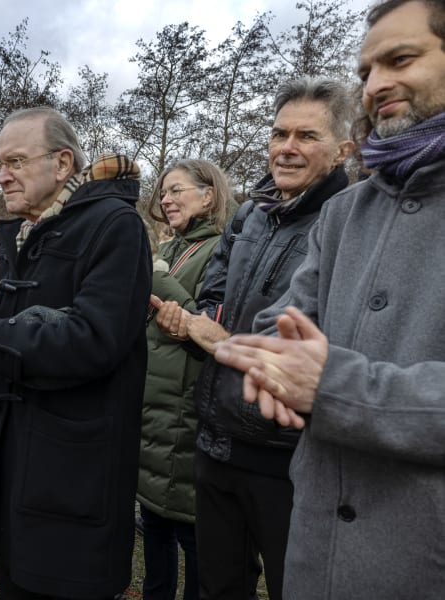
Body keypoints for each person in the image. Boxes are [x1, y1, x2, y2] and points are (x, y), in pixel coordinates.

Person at [211, 1, 445, 597]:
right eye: (366, 71)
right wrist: (267, 365)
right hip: (318, 549)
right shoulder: (346, 213)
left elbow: (323, 376)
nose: (376, 84)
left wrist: (333, 386)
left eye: (401, 58)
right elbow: (280, 323)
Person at [0, 107, 151, 599]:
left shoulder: (115, 226)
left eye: (16, 162)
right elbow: (19, 329)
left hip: (74, 477)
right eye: (0, 163)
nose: (2, 175)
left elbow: (94, 340)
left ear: (63, 164)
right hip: (18, 470)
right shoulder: (26, 233)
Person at [150, 78, 354, 600]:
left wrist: (221, 337)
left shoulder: (348, 221)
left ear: (342, 149)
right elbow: (213, 294)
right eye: (279, 133)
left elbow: (321, 327)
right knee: (219, 586)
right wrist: (196, 320)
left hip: (286, 455)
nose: (287, 148)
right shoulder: (251, 214)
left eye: (306, 136)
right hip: (216, 439)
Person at [140, 159, 231, 600]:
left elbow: (203, 320)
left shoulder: (218, 249)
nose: (166, 199)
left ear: (208, 195)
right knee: (153, 529)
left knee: (193, 540)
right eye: (163, 193)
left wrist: (156, 272)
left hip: (188, 415)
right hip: (153, 418)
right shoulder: (171, 248)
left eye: (176, 190)